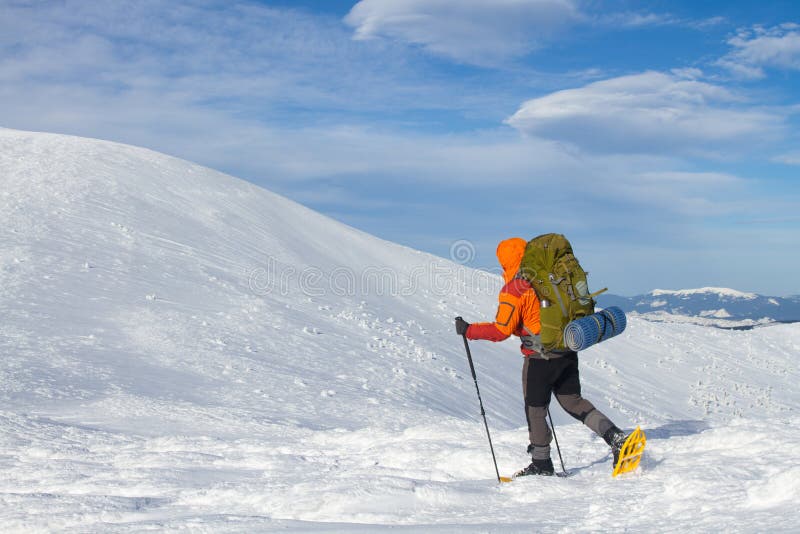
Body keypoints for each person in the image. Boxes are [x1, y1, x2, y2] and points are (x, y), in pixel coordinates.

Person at [455, 237, 629, 476]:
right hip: (567, 347)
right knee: (573, 402)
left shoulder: (515, 288)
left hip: (539, 358)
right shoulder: (547, 278)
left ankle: (541, 463)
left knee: (535, 409)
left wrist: (469, 330)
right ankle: (615, 437)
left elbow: (501, 330)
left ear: (505, 262)